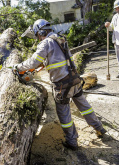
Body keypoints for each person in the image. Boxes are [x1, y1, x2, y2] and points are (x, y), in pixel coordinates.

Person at [13, 19, 106, 151]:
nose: (38, 38)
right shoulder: (60, 39)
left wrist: (18, 67)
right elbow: (62, 59)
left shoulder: (45, 43)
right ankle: (99, 128)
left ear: (40, 32)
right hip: (74, 79)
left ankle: (72, 141)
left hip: (62, 85)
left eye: (37, 35)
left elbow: (33, 62)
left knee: (64, 114)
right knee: (84, 106)